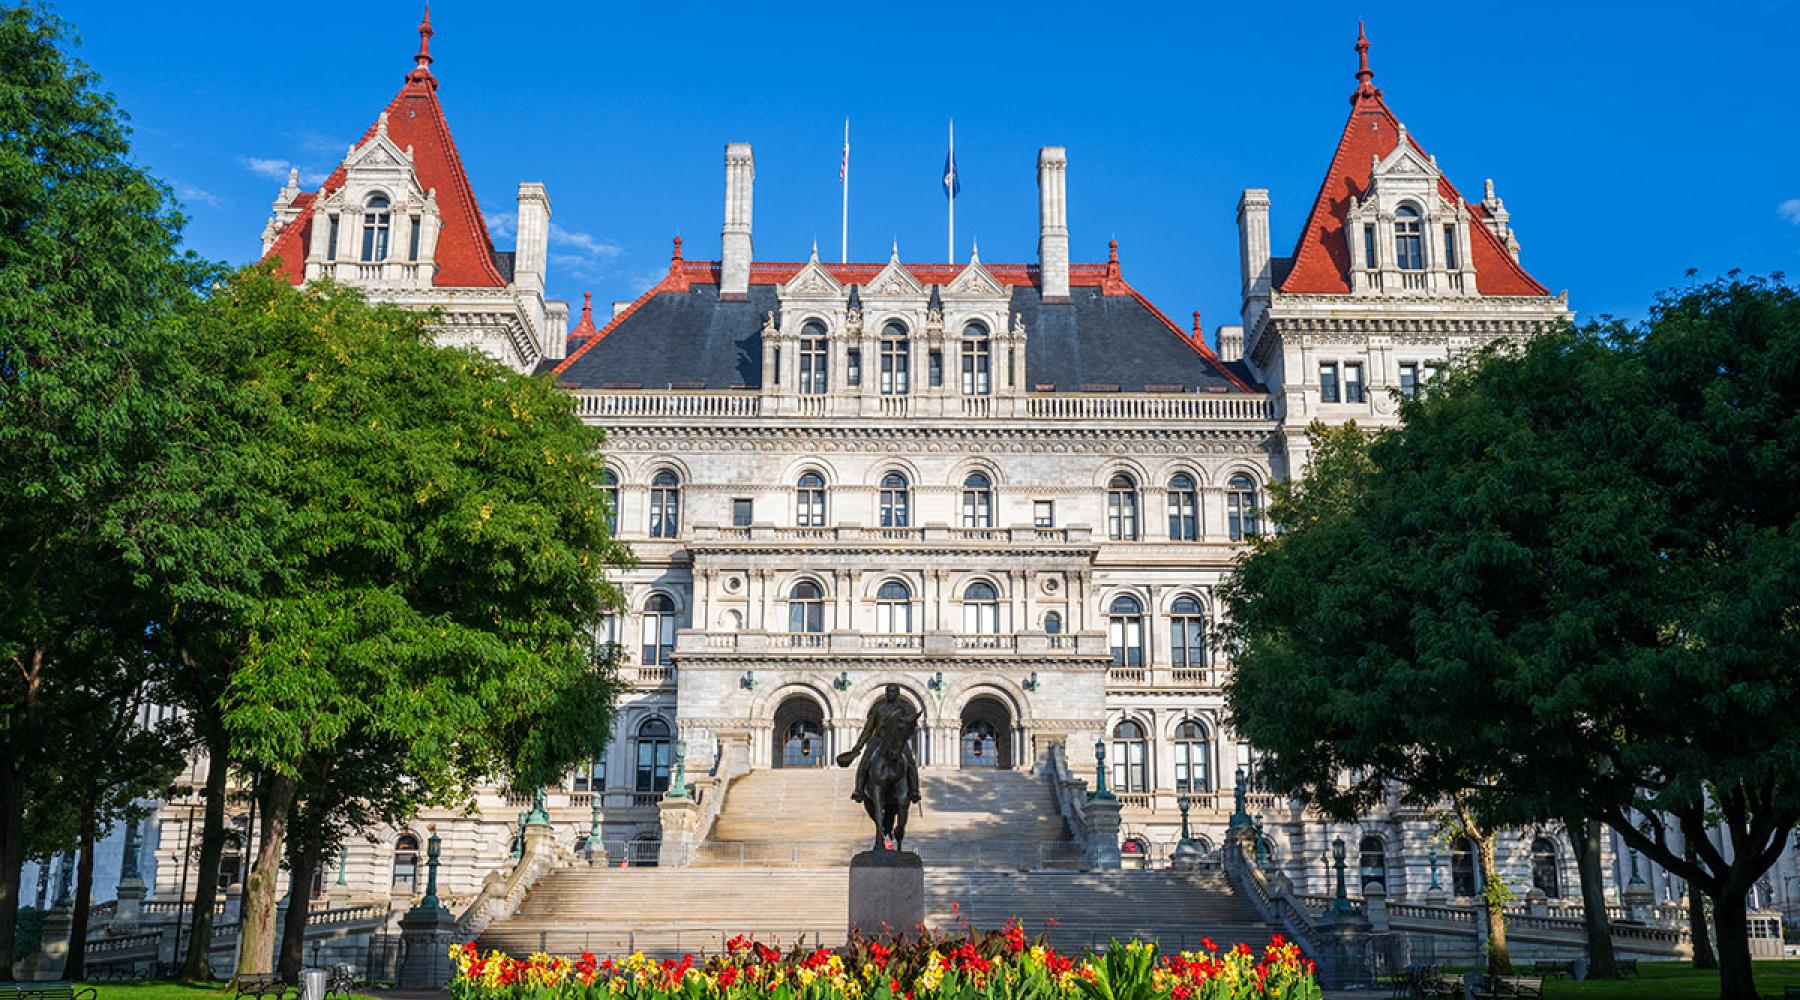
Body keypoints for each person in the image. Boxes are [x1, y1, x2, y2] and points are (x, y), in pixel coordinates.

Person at [836, 683, 922, 804]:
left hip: (897, 742)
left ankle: (914, 791)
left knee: (911, 763)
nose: (890, 694)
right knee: (865, 761)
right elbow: (868, 729)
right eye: (888, 691)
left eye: (893, 692)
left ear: (898, 694)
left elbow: (909, 727)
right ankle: (859, 790)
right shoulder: (878, 708)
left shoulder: (904, 709)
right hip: (878, 740)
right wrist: (857, 747)